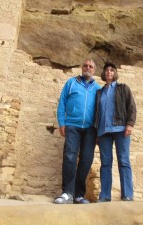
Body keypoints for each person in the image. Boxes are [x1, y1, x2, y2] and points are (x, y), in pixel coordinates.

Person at [54, 59, 101, 204]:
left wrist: (99, 131)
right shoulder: (71, 83)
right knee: (69, 157)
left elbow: (101, 111)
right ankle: (67, 193)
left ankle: (79, 195)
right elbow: (62, 103)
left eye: (91, 66)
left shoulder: (98, 88)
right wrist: (62, 122)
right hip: (72, 125)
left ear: (94, 70)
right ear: (82, 68)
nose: (88, 68)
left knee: (86, 160)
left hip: (90, 129)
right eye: (85, 66)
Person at [94, 62, 136, 202]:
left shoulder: (123, 88)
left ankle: (127, 195)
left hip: (120, 129)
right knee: (105, 163)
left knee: (123, 161)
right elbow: (96, 114)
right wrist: (95, 133)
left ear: (115, 73)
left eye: (112, 70)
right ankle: (105, 195)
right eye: (106, 70)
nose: (109, 72)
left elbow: (131, 107)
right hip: (103, 131)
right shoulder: (99, 93)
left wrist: (130, 124)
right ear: (104, 74)